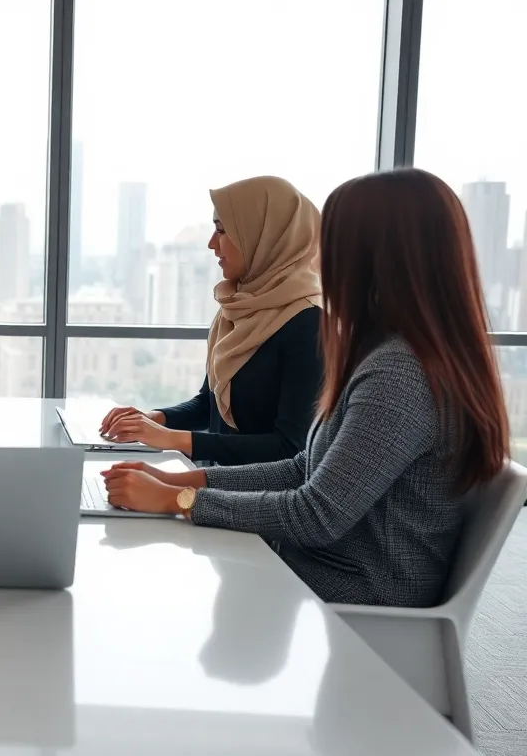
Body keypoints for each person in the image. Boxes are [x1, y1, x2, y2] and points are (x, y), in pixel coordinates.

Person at [102, 168, 510, 608]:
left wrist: (179, 500)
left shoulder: (402, 373)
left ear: (374, 259)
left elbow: (318, 514)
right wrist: (180, 481)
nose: (320, 258)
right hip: (319, 571)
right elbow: (303, 469)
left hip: (357, 598)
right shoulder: (387, 352)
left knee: (156, 589)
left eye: (333, 244)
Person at [101, 176, 323, 466]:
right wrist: (153, 418)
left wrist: (172, 439)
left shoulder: (311, 324)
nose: (211, 244)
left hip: (261, 505)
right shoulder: (237, 307)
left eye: (221, 230)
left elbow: (291, 450)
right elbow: (210, 404)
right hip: (215, 486)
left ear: (263, 236)